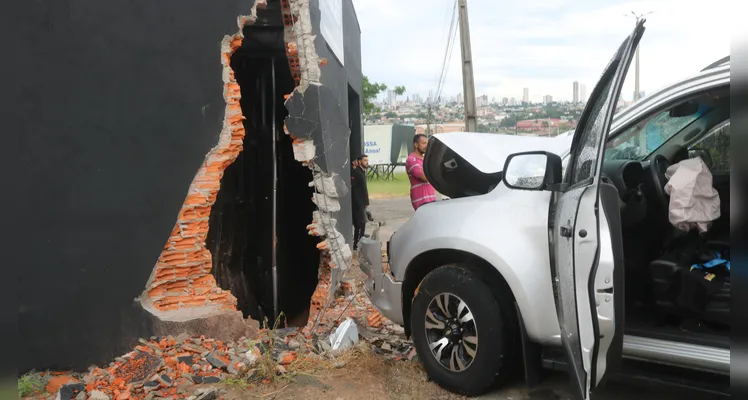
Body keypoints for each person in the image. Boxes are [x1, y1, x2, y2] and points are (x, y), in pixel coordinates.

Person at [406, 134, 437, 210]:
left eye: (427, 143)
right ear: (416, 144)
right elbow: (425, 177)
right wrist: (431, 172)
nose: (426, 146)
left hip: (431, 197)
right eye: (423, 143)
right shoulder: (411, 160)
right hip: (421, 199)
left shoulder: (425, 159)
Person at [351, 155, 371, 250]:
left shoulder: (362, 172)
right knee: (359, 224)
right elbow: (354, 190)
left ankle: (361, 242)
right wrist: (359, 204)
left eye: (367, 160)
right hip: (357, 204)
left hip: (362, 203)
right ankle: (356, 244)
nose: (366, 162)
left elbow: (364, 189)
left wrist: (366, 201)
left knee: (363, 223)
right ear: (359, 161)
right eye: (364, 160)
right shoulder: (356, 173)